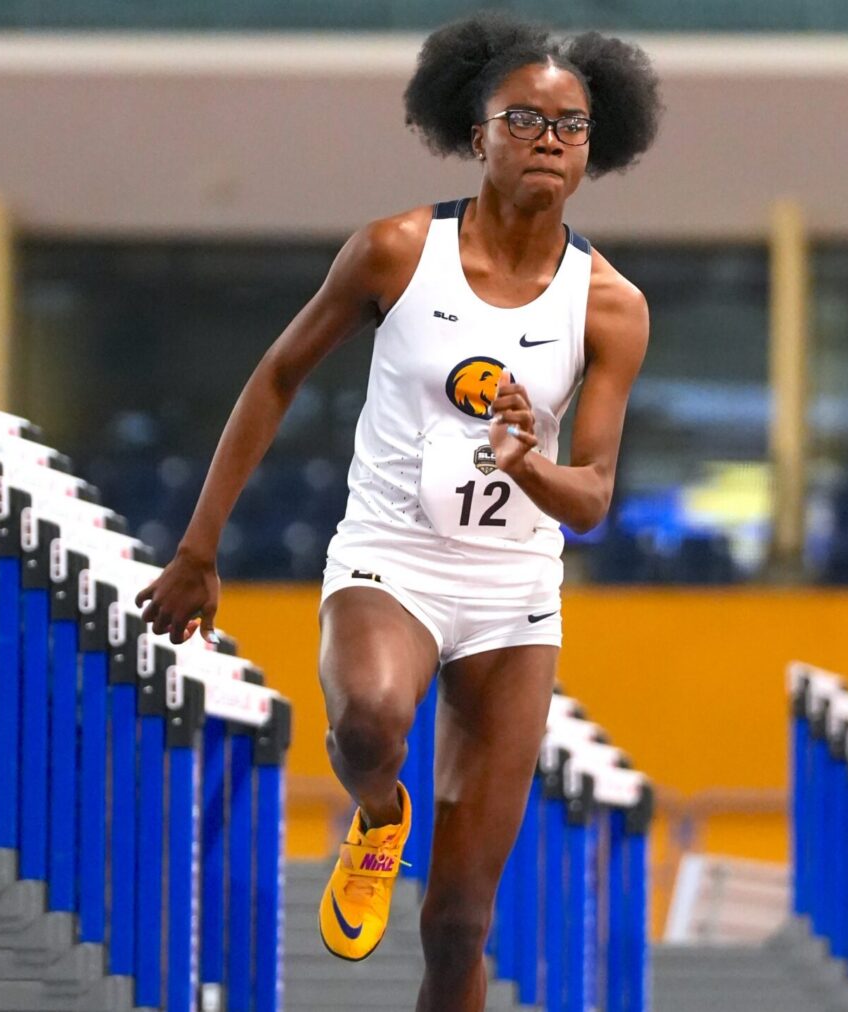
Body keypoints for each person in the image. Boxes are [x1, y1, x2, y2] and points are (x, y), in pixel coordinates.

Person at [134, 11, 661, 1007]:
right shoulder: (394, 251)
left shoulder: (609, 306)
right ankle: (380, 812)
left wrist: (528, 465)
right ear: (476, 133)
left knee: (460, 922)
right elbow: (278, 375)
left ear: (597, 147)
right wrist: (200, 547)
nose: (548, 138)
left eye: (571, 126)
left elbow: (591, 498)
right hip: (393, 558)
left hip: (514, 594)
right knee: (372, 720)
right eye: (525, 117)